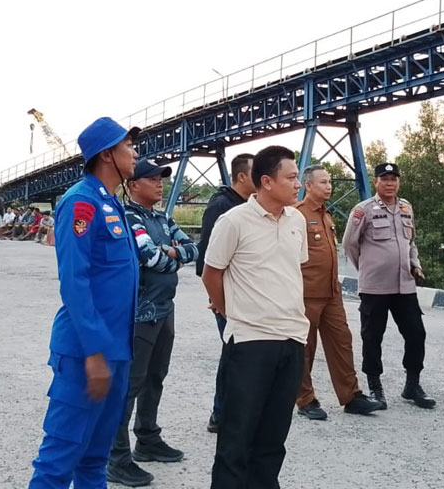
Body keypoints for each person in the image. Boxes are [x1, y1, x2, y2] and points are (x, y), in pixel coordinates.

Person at [27, 116, 140, 489]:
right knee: (57, 462)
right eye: (128, 146)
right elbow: (75, 282)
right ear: (106, 155)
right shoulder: (81, 202)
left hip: (115, 351)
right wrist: (94, 351)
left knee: (94, 460)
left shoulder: (110, 202)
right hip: (85, 354)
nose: (135, 152)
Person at [202, 145, 308, 489]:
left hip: (292, 339)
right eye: (291, 178)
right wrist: (231, 312)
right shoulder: (233, 221)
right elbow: (211, 274)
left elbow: (292, 270)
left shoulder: (296, 220)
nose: (298, 184)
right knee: (237, 436)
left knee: (273, 439)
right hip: (250, 342)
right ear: (266, 181)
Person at [108, 160, 200, 487]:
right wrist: (173, 256)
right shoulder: (128, 217)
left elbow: (194, 248)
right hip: (141, 313)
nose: (160, 184)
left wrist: (174, 253)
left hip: (164, 308)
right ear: (133, 185)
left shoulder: (162, 218)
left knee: (155, 376)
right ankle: (116, 457)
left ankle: (147, 438)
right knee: (129, 384)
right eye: (152, 179)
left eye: (161, 179)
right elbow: (150, 258)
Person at [294, 165, 384, 421]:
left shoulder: (326, 215)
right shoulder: (297, 215)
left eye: (330, 182)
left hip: (331, 292)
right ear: (308, 185)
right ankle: (306, 399)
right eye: (323, 182)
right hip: (307, 293)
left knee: (342, 342)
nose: (329, 186)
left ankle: (351, 396)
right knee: (305, 347)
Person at [342, 162, 434, 409]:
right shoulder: (363, 210)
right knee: (372, 337)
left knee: (416, 334)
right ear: (376, 182)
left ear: (399, 182)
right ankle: (375, 387)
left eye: (394, 179)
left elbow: (410, 242)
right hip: (375, 287)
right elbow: (350, 244)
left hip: (405, 285)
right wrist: (368, 268)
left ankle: (412, 385)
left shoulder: (406, 207)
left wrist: (415, 264)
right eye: (385, 179)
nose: (390, 183)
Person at [195, 152, 257, 433]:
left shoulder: (249, 205)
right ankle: (220, 415)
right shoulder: (221, 206)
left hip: (246, 294)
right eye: (256, 172)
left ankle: (235, 413)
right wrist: (218, 299)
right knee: (234, 353)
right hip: (228, 296)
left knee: (243, 354)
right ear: (242, 176)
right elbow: (206, 260)